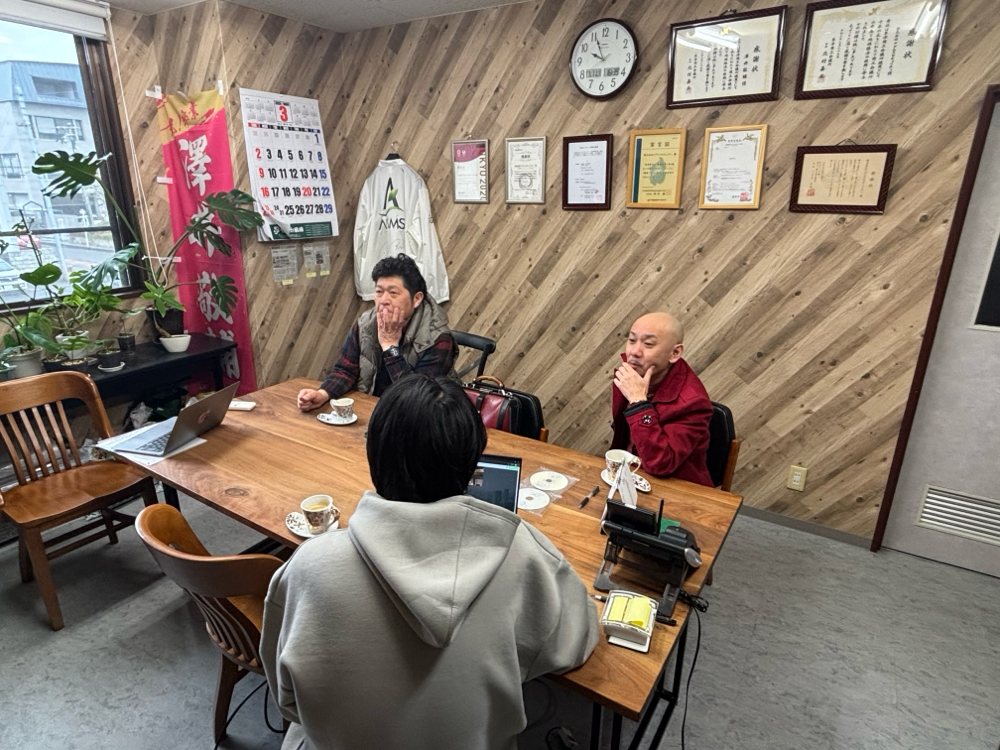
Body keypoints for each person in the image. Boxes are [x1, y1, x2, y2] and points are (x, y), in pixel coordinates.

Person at [262, 374, 598, 750]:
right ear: (472, 467)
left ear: (374, 455)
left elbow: (287, 700)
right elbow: (577, 640)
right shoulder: (523, 552)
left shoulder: (309, 566)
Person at [297, 254, 457, 411]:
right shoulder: (366, 323)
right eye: (379, 292)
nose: (384, 300)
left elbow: (417, 397)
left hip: (419, 416)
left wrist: (390, 346)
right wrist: (322, 394)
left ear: (416, 299)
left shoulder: (438, 338)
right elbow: (345, 370)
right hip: (371, 408)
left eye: (393, 293)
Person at [611, 312, 714, 486]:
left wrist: (638, 402)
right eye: (632, 340)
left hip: (675, 486)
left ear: (674, 353)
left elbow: (660, 464)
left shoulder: (693, 402)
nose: (634, 352)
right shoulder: (632, 374)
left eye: (648, 344)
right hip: (629, 472)